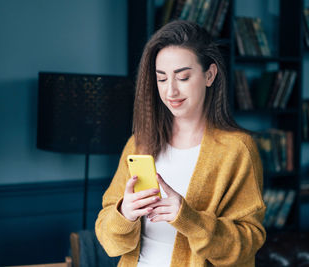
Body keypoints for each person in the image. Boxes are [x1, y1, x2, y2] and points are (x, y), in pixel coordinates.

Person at [95, 20, 266, 267]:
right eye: (161, 79)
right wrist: (124, 214)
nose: (170, 91)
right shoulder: (139, 143)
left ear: (210, 75)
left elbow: (248, 242)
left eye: (183, 77)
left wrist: (188, 218)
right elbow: (107, 237)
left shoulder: (237, 150)